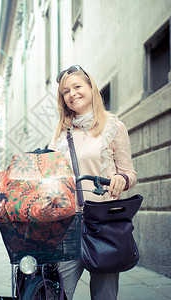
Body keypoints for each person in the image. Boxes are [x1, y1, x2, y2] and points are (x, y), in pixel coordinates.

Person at [49, 65, 137, 300]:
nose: (72, 94)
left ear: (90, 87)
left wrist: (121, 178)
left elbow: (130, 173)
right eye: (65, 91)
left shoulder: (113, 127)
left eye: (77, 86)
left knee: (104, 295)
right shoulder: (60, 134)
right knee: (58, 291)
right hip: (67, 223)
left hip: (103, 222)